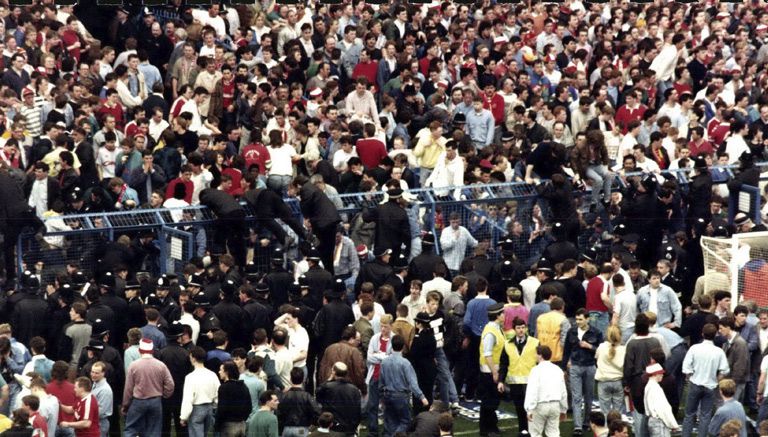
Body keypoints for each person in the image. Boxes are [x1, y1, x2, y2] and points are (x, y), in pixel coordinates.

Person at [681, 323, 730, 437]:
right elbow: (725, 370)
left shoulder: (694, 348)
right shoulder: (719, 351)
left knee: (689, 414)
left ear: (702, 334)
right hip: (710, 385)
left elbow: (686, 367)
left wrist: (690, 377)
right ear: (715, 335)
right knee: (705, 416)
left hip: (695, 383)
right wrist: (717, 379)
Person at [121, 339, 175, 437]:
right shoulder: (161, 365)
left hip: (138, 401)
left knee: (131, 429)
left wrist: (125, 404)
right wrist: (164, 395)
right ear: (152, 350)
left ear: (140, 350)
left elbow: (128, 388)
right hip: (155, 401)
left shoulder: (134, 365)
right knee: (154, 431)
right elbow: (170, 384)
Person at [563, 309, 603, 436]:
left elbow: (602, 350)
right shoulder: (571, 331)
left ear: (587, 319)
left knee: (589, 396)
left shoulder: (596, 332)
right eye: (577, 319)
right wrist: (564, 367)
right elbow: (566, 350)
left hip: (590, 366)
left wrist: (589, 346)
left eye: (580, 319)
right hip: (575, 366)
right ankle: (578, 427)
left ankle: (586, 422)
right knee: (576, 397)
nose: (578, 322)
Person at [379, 335, 428, 436]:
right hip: (401, 396)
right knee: (405, 421)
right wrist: (422, 397)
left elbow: (381, 382)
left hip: (387, 395)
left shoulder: (384, 362)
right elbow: (413, 383)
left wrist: (381, 397)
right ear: (403, 347)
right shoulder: (405, 363)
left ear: (392, 345)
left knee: (390, 423)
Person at [498, 316, 539, 437]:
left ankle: (533, 431)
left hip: (531, 382)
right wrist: (501, 381)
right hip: (515, 382)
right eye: (518, 328)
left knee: (531, 408)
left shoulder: (535, 342)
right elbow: (504, 364)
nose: (521, 330)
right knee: (519, 407)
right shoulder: (507, 344)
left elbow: (539, 362)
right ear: (514, 329)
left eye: (523, 327)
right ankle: (523, 430)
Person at [524, 345, 567, 437]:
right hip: (555, 405)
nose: (535, 356)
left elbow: (532, 391)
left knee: (535, 434)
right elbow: (563, 391)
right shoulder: (558, 369)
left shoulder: (535, 370)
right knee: (554, 433)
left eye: (536, 354)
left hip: (540, 406)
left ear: (540, 355)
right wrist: (564, 409)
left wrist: (529, 409)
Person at [478, 303, 505, 437]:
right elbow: (487, 354)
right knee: (489, 401)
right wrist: (494, 372)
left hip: (492, 370)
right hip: (489, 371)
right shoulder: (491, 332)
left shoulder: (496, 328)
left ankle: (492, 426)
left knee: (493, 400)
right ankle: (487, 429)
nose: (504, 315)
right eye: (502, 313)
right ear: (497, 316)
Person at [180, 347, 219, 437]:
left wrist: (183, 417)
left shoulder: (190, 377)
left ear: (193, 358)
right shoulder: (212, 374)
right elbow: (218, 393)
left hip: (196, 409)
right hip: (209, 408)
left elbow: (188, 399)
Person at [594, 325, 626, 416]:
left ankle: (607, 425)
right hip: (618, 381)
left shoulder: (601, 347)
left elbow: (596, 358)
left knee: (605, 411)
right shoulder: (623, 349)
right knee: (618, 412)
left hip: (603, 381)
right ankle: (617, 425)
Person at [643, 364, 679, 437]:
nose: (662, 375)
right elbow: (663, 409)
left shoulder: (648, 386)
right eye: (660, 373)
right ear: (655, 374)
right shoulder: (656, 388)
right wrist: (673, 424)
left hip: (652, 420)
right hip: (659, 422)